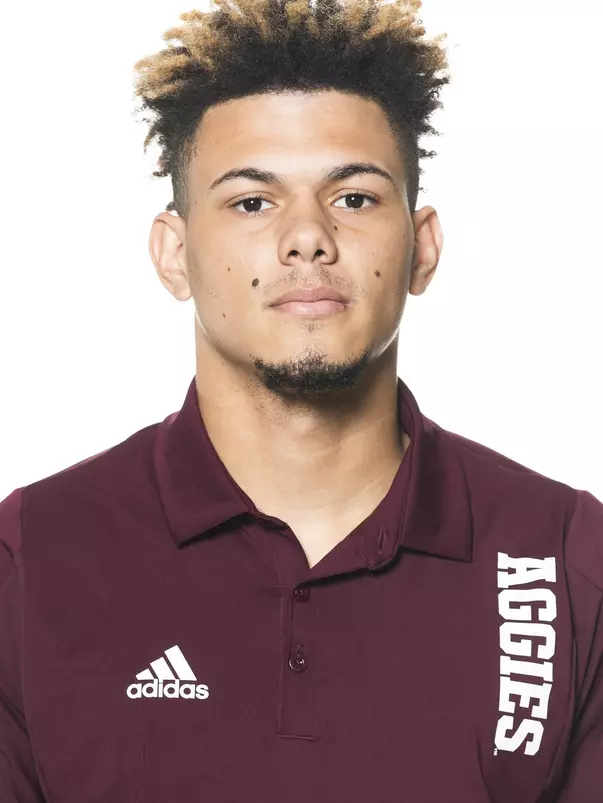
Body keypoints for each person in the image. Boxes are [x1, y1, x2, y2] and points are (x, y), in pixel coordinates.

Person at [1, 0, 601, 800]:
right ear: (174, 255)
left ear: (420, 247)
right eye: (252, 201)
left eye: (353, 197)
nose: (307, 236)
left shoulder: (562, 555)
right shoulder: (32, 558)